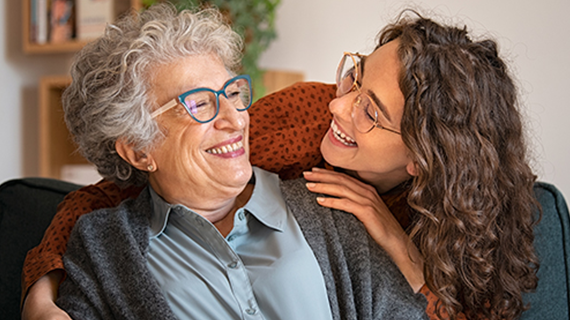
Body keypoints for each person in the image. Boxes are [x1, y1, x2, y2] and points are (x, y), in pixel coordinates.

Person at [21, 4, 427, 320]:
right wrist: (38, 294)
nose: (236, 119)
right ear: (139, 150)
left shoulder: (332, 207)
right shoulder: (103, 245)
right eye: (199, 104)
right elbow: (84, 204)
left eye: (233, 93)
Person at [303, 11, 539, 320]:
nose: (338, 105)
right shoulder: (309, 114)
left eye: (370, 113)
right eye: (355, 76)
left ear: (421, 158)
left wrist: (401, 250)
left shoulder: (464, 224)